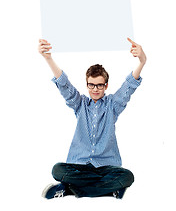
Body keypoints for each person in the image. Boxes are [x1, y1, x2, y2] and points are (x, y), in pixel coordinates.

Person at [38, 38, 147, 199]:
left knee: (127, 177)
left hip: (106, 167)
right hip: (79, 166)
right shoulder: (80, 104)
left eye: (100, 85)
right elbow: (65, 85)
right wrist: (48, 58)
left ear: (106, 85)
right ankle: (109, 190)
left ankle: (70, 189)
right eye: (91, 85)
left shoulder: (112, 105)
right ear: (87, 84)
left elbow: (128, 87)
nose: (95, 89)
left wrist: (142, 62)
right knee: (57, 170)